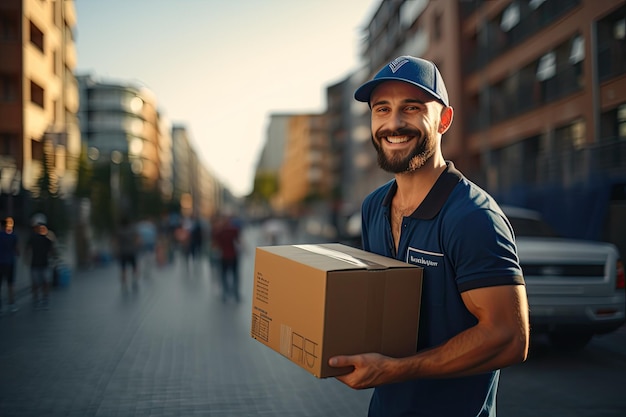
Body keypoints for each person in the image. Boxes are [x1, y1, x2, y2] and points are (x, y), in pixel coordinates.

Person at [328, 56, 530, 417]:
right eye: (382, 109)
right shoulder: (373, 206)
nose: (394, 123)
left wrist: (397, 370)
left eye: (412, 108)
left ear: (444, 120)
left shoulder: (472, 216)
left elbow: (509, 338)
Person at [25, 216, 56, 310]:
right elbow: (28, 249)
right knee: (38, 283)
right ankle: (38, 299)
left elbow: (52, 250)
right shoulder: (33, 237)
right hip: (37, 263)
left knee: (43, 282)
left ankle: (42, 299)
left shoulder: (47, 238)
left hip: (42, 263)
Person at [211, 214, 241, 302]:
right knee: (235, 275)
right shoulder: (234, 230)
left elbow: (215, 245)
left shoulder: (219, 232)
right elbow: (238, 241)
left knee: (224, 275)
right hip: (233, 255)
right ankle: (235, 293)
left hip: (223, 256)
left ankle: (225, 293)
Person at [0, 217, 19, 314]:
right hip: (10, 262)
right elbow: (17, 250)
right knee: (11, 284)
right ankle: (12, 304)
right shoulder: (13, 236)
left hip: (1, 262)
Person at [115, 216, 140, 288]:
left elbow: (116, 242)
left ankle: (124, 282)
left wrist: (116, 250)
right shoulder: (132, 230)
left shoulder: (119, 231)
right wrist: (137, 247)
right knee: (134, 266)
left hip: (123, 252)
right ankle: (134, 278)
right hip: (132, 251)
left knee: (123, 268)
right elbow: (137, 240)